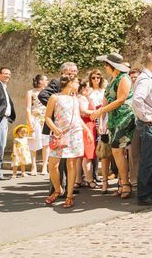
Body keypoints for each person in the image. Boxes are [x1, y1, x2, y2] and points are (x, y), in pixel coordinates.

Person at [44, 76, 93, 208]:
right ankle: (57, 189)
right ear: (70, 83)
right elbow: (47, 117)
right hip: (59, 133)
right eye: (77, 82)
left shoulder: (75, 99)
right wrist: (54, 129)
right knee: (53, 164)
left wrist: (87, 131)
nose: (79, 84)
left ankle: (69, 196)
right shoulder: (55, 97)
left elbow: (78, 117)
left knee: (71, 164)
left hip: (74, 134)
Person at [91, 53, 135, 199]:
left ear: (111, 66)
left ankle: (126, 184)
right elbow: (106, 100)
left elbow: (122, 99)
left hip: (124, 118)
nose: (105, 67)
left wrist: (101, 111)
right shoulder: (113, 79)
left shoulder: (124, 78)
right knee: (117, 152)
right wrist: (101, 118)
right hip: (114, 120)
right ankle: (122, 184)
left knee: (118, 151)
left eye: (106, 64)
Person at [127, 52, 152, 205]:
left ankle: (150, 190)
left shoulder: (148, 79)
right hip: (149, 125)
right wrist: (146, 116)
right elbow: (137, 100)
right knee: (148, 160)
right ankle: (143, 195)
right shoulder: (144, 79)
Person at [38, 62, 78, 196]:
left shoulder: (73, 85)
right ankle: (55, 189)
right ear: (64, 71)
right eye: (72, 71)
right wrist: (56, 107)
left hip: (70, 128)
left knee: (68, 160)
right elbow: (42, 95)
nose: (75, 72)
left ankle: (66, 188)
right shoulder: (56, 83)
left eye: (76, 71)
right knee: (57, 161)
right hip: (57, 127)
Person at [25, 74, 50, 176]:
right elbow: (28, 108)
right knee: (33, 142)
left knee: (46, 143)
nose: (47, 81)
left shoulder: (48, 93)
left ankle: (44, 167)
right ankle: (33, 166)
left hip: (46, 118)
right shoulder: (30, 92)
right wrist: (29, 122)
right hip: (34, 119)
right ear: (40, 81)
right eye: (45, 80)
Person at [76, 80, 97, 189]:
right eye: (89, 87)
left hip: (87, 125)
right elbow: (83, 111)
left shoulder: (81, 97)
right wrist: (98, 111)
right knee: (87, 155)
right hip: (87, 125)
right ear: (83, 88)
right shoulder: (82, 98)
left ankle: (78, 180)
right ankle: (89, 179)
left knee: (81, 156)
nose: (90, 89)